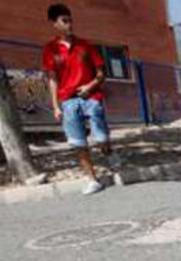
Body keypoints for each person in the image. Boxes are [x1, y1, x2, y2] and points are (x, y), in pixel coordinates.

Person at [42, 3, 121, 196]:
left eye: (70, 20)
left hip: (91, 96)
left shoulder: (85, 45)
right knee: (78, 143)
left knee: (100, 137)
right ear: (54, 24)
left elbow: (101, 74)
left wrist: (89, 87)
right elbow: (52, 79)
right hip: (68, 101)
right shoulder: (50, 49)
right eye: (64, 21)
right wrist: (55, 107)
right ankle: (93, 180)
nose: (69, 24)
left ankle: (109, 154)